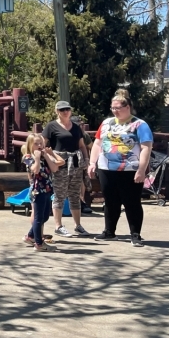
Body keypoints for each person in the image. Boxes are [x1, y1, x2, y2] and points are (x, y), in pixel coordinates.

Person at [87, 89, 153, 246]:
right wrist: (92, 162)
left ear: (128, 107)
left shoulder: (139, 124)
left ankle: (135, 234)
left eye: (118, 108)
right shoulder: (106, 123)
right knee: (110, 201)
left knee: (132, 202)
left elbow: (146, 148)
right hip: (106, 168)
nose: (115, 111)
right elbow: (97, 143)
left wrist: (141, 170)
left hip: (130, 169)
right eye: (113, 108)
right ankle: (109, 231)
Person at [43, 101, 91, 237]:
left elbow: (82, 145)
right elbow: (43, 144)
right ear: (57, 111)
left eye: (67, 109)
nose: (65, 112)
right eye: (62, 109)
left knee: (75, 195)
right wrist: (49, 158)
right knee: (59, 195)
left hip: (76, 163)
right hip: (59, 164)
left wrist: (86, 160)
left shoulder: (76, 127)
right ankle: (58, 226)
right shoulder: (51, 126)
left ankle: (78, 225)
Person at [22, 133, 62, 251]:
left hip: (48, 188)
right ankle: (38, 244)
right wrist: (37, 158)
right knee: (38, 218)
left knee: (45, 216)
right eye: (36, 144)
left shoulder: (45, 155)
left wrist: (47, 156)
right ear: (30, 145)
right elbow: (36, 170)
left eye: (41, 143)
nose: (39, 145)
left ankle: (30, 236)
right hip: (37, 190)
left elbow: (54, 168)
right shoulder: (27, 157)